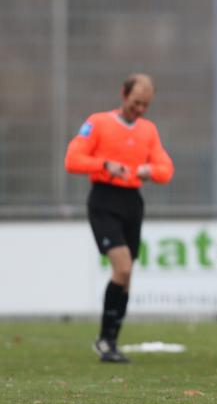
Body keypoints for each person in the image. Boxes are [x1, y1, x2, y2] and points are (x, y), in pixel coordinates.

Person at [64, 73, 174, 363]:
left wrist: (151, 171)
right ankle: (104, 340)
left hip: (132, 202)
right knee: (122, 267)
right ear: (123, 95)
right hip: (104, 199)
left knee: (125, 278)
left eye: (145, 105)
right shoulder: (98, 123)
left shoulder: (148, 130)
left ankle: (110, 341)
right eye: (136, 103)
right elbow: (73, 160)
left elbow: (165, 169)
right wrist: (104, 164)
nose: (139, 110)